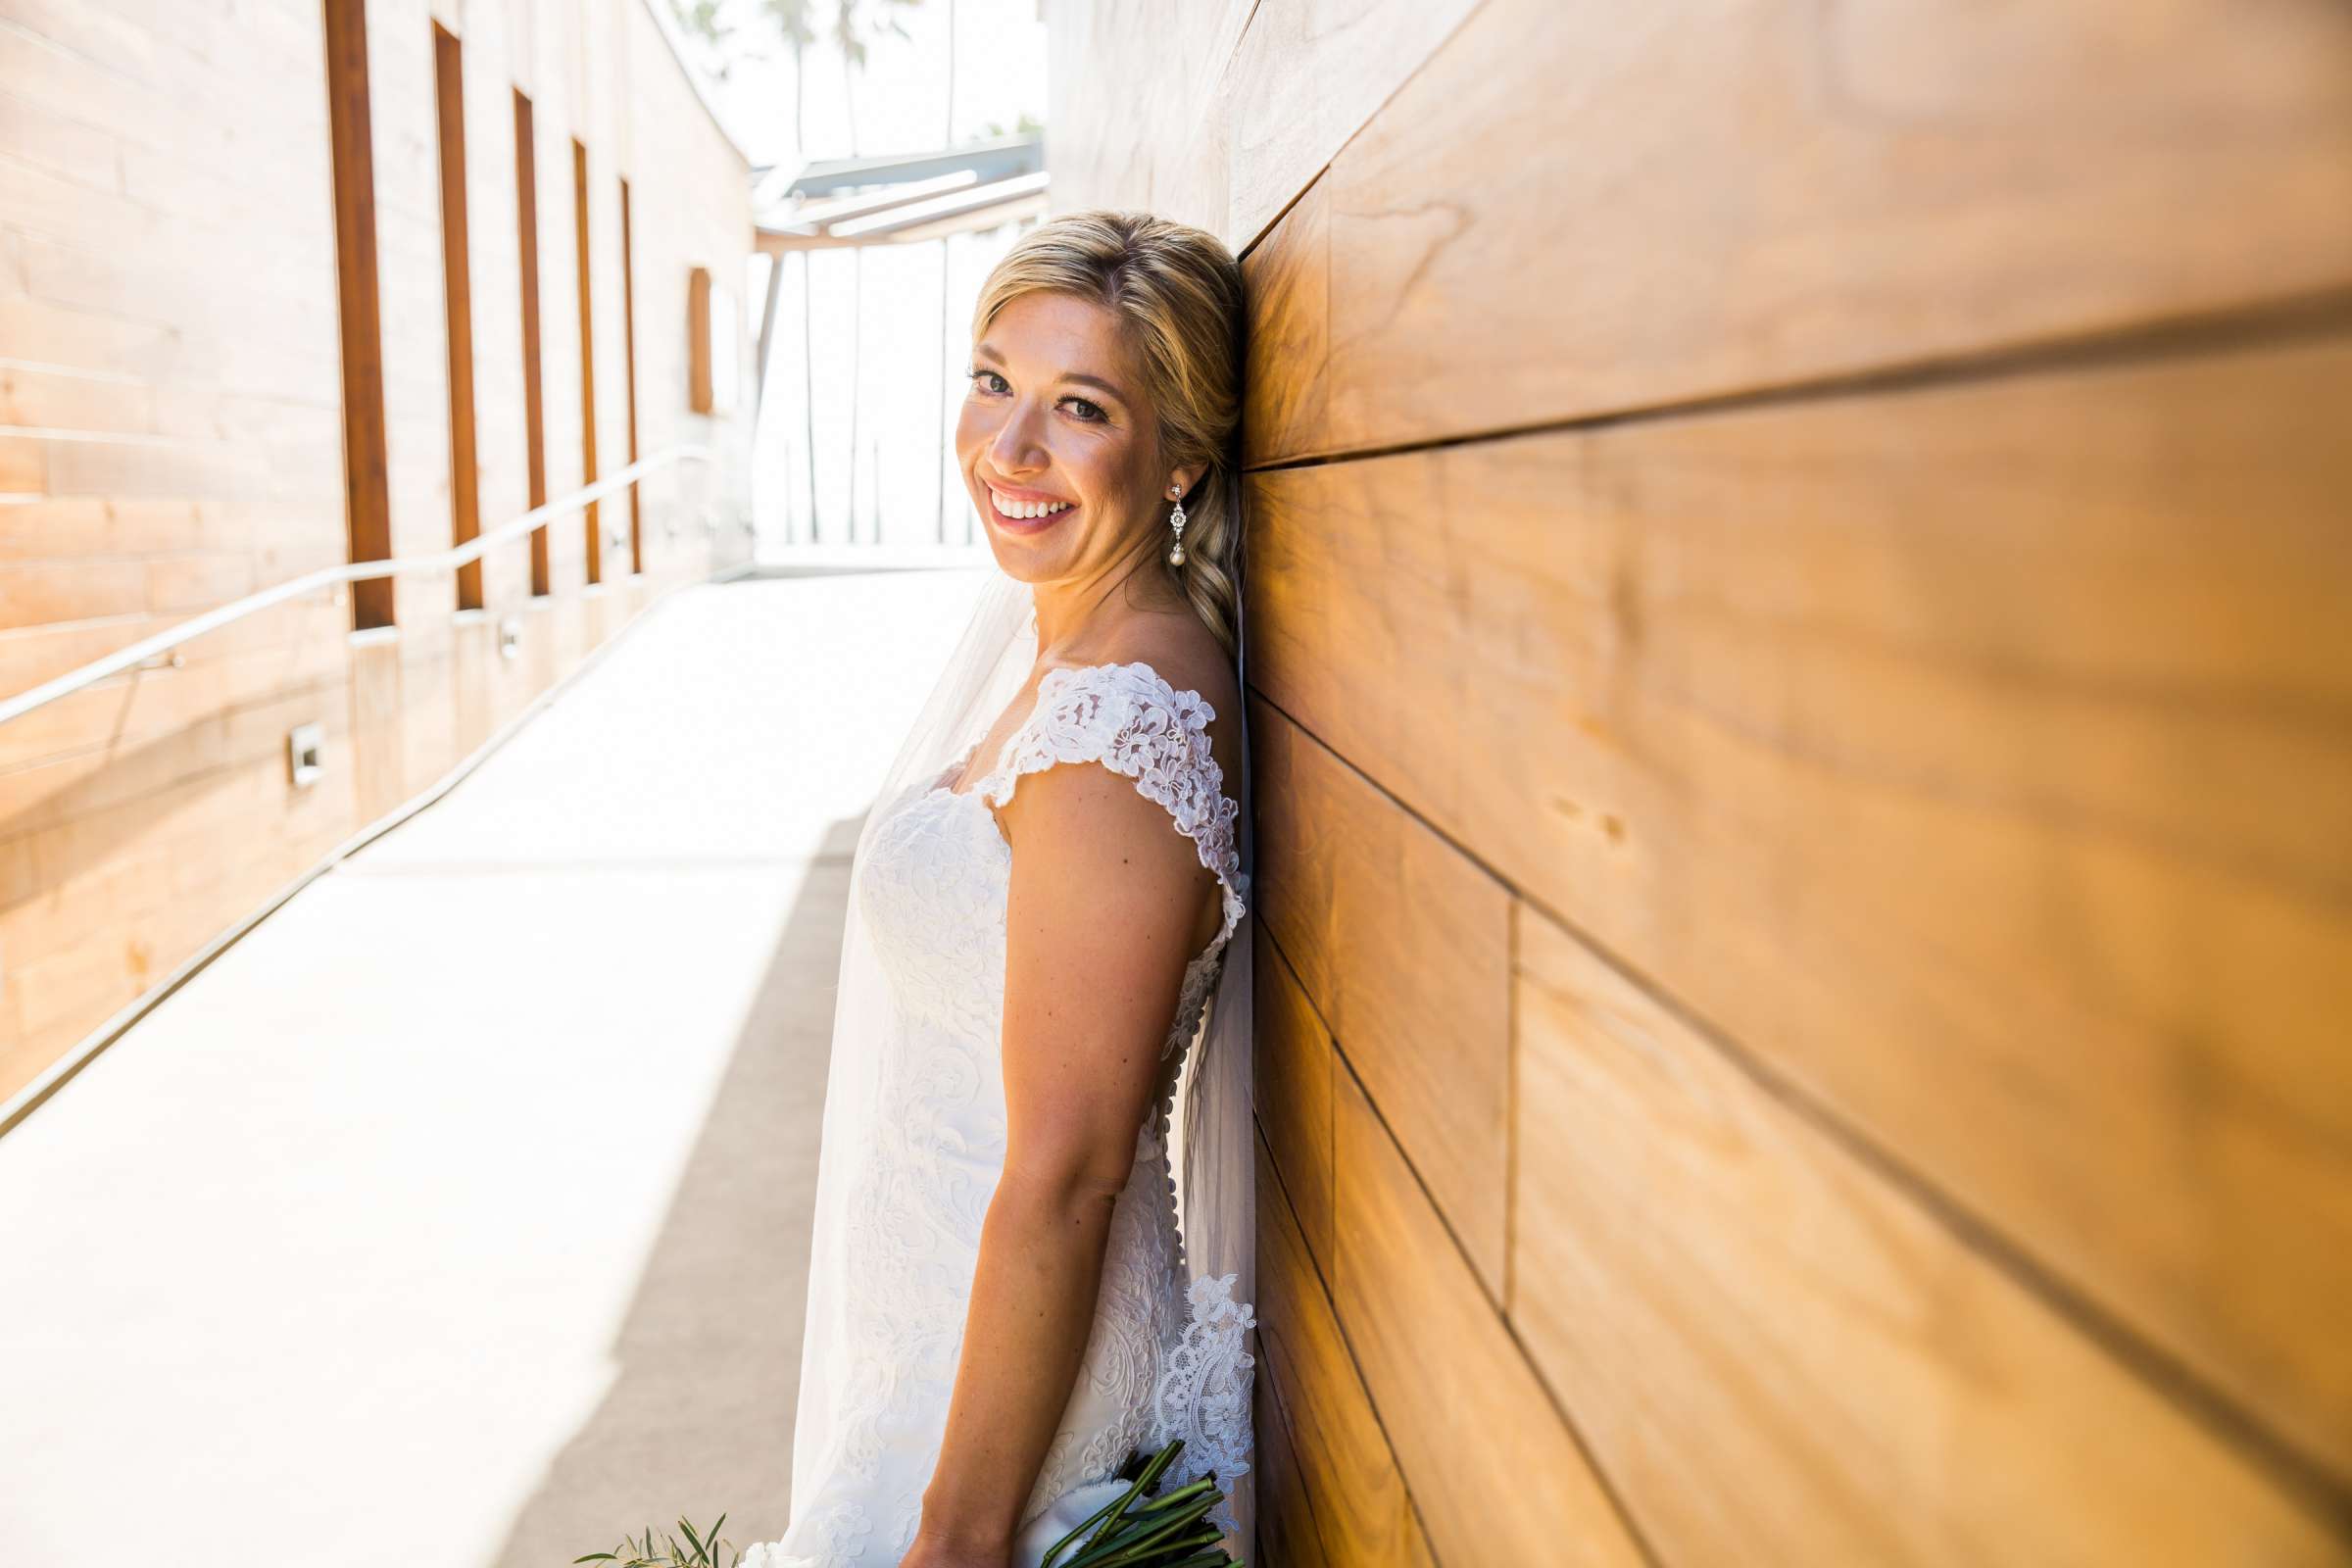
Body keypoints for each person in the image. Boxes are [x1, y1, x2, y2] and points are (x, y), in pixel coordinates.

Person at [745, 210, 1258, 1568]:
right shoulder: (1065, 653)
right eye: (992, 382)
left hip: (1017, 1387)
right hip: (937, 1322)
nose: (1010, 450)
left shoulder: (1119, 725)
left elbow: (1069, 1169)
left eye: (1078, 407)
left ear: (1180, 460)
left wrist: (960, 1536)